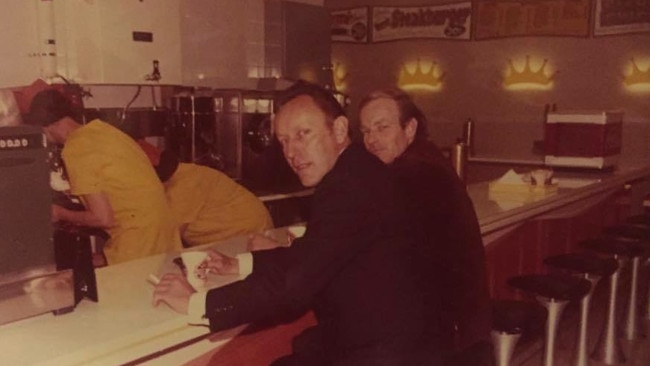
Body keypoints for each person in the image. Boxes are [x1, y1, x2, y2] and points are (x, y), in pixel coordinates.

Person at [152, 82, 443, 365]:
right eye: (284, 141)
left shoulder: (350, 186)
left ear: (339, 130)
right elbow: (315, 252)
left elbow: (292, 287)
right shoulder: (356, 171)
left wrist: (198, 303)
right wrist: (241, 264)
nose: (292, 152)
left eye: (303, 134)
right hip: (390, 344)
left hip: (383, 354)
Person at [358, 88, 492, 364]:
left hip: (443, 336)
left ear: (410, 128)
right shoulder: (424, 159)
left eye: (382, 128)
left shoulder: (412, 172)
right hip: (461, 327)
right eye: (365, 131)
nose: (371, 139)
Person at [26, 89, 182, 265]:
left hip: (138, 239)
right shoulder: (103, 130)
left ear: (45, 126)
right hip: (164, 232)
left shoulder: (76, 148)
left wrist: (60, 213)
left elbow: (102, 218)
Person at [155, 148, 274, 246]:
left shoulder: (183, 184)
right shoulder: (185, 172)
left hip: (249, 233)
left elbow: (168, 239)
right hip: (235, 236)